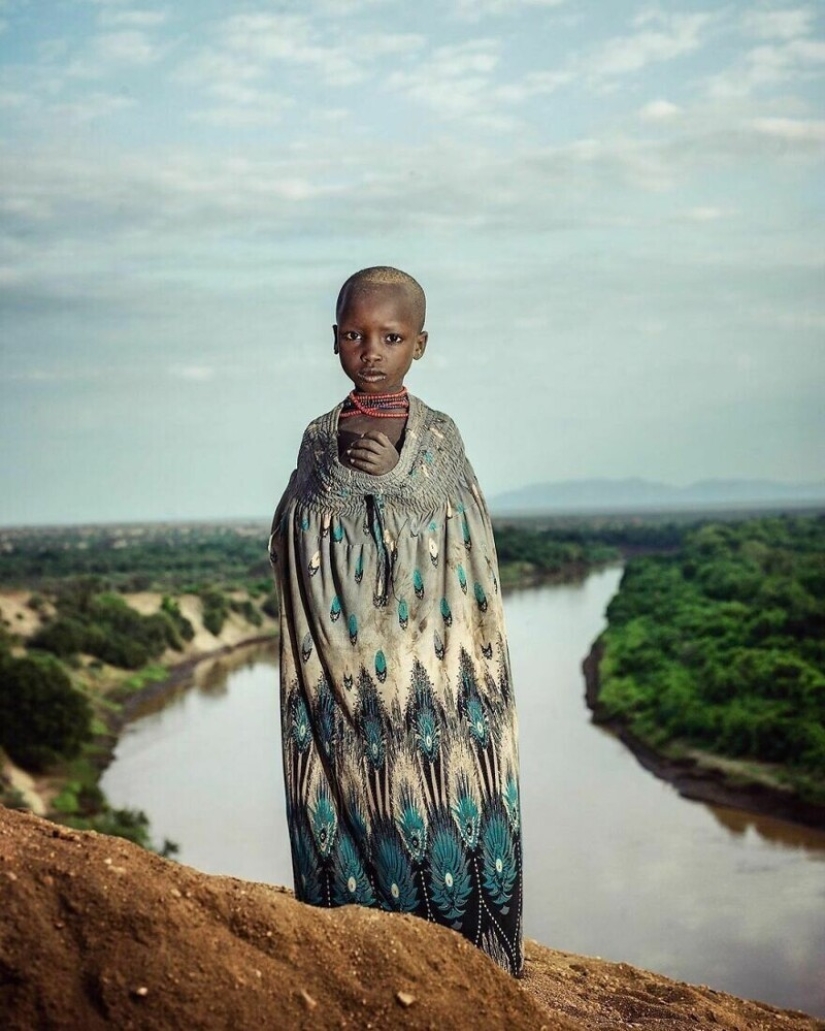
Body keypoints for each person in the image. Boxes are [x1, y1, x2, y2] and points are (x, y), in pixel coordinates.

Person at [269, 266, 523, 976]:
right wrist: (342, 501)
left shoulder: (439, 436)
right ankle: (357, 963)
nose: (370, 351)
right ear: (334, 341)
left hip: (429, 669)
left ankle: (470, 971)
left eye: (390, 336)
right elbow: (294, 531)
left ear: (420, 344)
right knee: (351, 791)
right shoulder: (318, 439)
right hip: (342, 667)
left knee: (440, 794)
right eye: (354, 335)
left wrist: (397, 485)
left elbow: (463, 536)